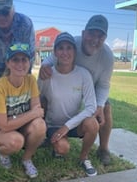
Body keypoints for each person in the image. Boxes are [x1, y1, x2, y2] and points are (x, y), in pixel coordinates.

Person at [39, 15, 114, 166]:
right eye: (92, 34)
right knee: (45, 99)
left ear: (105, 38)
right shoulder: (74, 42)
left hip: (89, 83)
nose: (94, 40)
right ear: (84, 33)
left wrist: (98, 105)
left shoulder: (107, 56)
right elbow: (54, 57)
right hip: (66, 80)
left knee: (104, 108)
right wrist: (44, 66)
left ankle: (103, 149)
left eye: (100, 36)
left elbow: (104, 85)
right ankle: (45, 135)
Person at [38, 32, 99, 176]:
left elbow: (91, 106)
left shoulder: (84, 74)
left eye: (69, 48)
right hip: (53, 124)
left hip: (73, 124)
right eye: (61, 48)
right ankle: (52, 142)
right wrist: (41, 127)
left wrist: (67, 127)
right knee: (63, 149)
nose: (65, 52)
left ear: (75, 51)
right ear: (55, 52)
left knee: (93, 124)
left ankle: (83, 157)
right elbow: (37, 100)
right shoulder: (47, 74)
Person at [0, 42, 46, 179]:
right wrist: (29, 115)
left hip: (17, 124)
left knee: (40, 125)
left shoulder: (31, 80)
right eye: (15, 59)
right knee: (15, 141)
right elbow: (3, 126)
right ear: (8, 63)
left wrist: (13, 119)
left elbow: (38, 111)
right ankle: (3, 154)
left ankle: (27, 159)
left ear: (29, 62)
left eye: (24, 59)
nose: (20, 64)